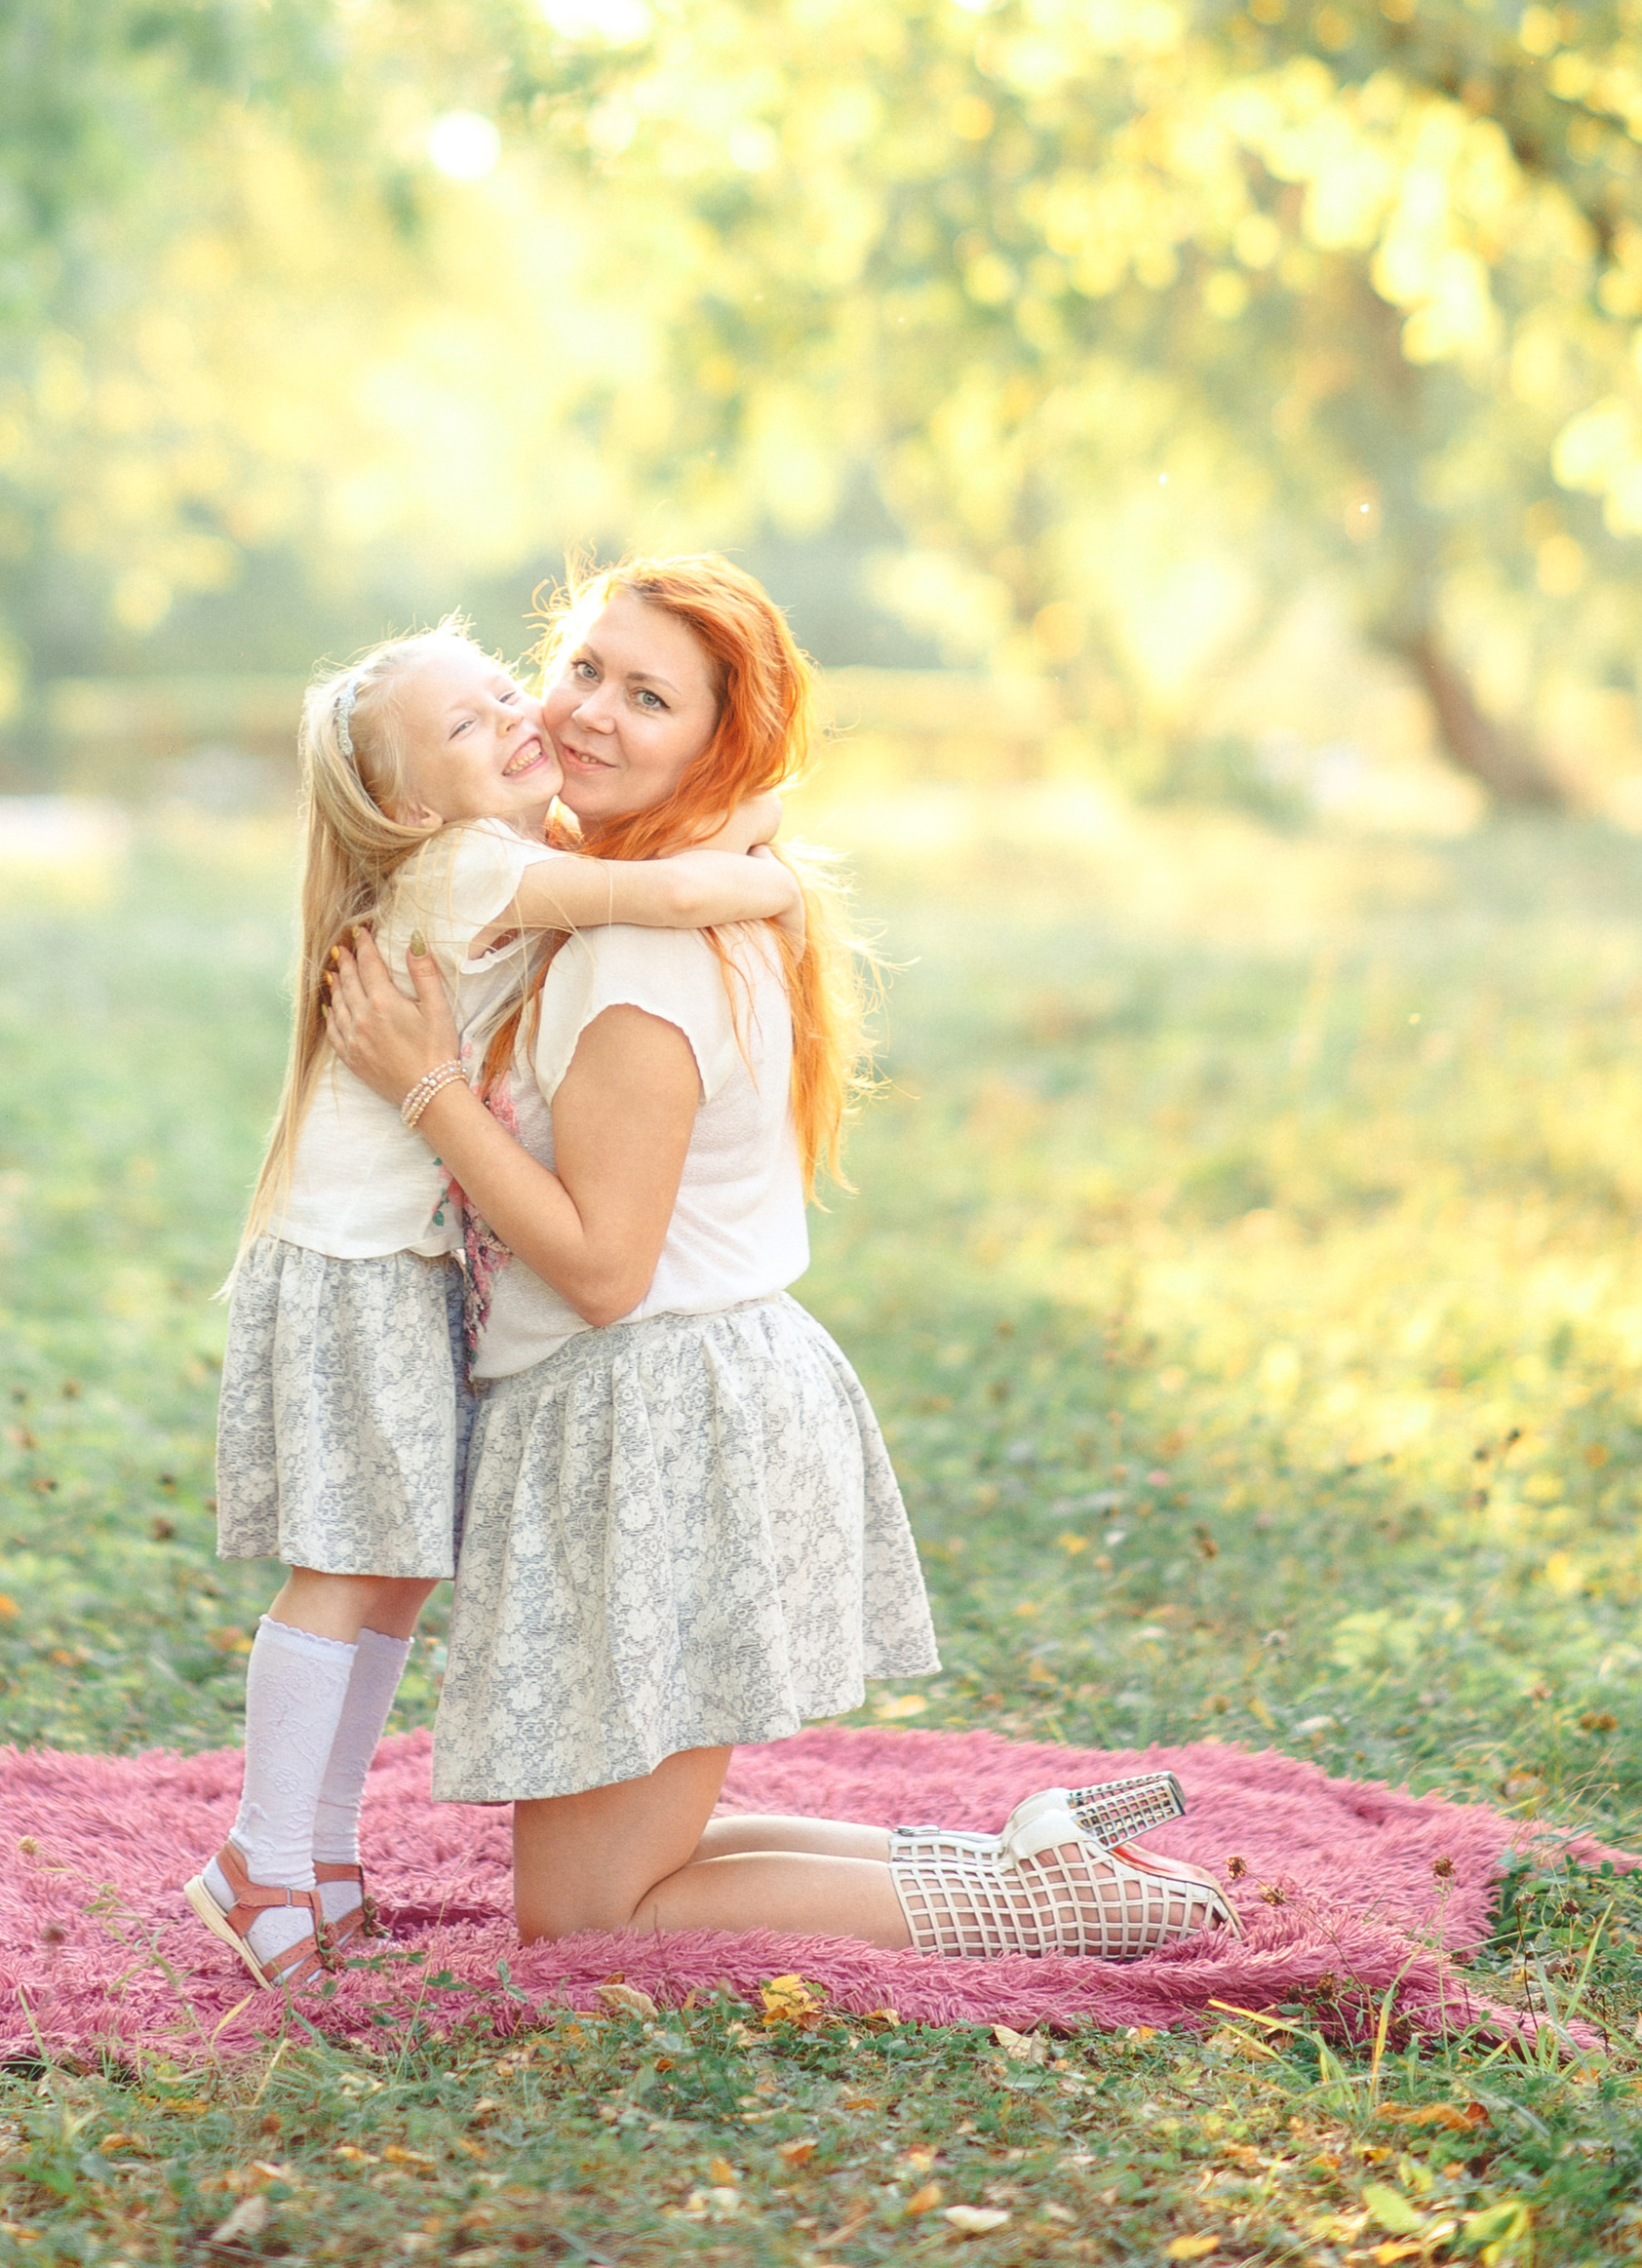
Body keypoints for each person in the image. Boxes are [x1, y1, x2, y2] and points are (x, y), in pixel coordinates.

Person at [326, 554, 1237, 1964]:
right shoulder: (652, 899)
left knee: (587, 1919)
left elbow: (604, 1267)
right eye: (581, 669)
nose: (587, 714)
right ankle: (1023, 1861)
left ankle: (1035, 1900)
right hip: (672, 1402)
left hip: (663, 1415)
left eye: (648, 699)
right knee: (625, 1878)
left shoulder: (643, 959)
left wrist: (423, 1081)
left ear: (711, 743)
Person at [188, 619, 801, 1991]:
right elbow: (657, 898)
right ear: (412, 804)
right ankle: (261, 1853)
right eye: (469, 730)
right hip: (359, 1272)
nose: (523, 720)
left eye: (503, 694)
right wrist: (765, 847)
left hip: (405, 1270)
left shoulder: (479, 859)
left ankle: (321, 1853)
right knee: (350, 1564)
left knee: (398, 1565)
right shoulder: (468, 868)